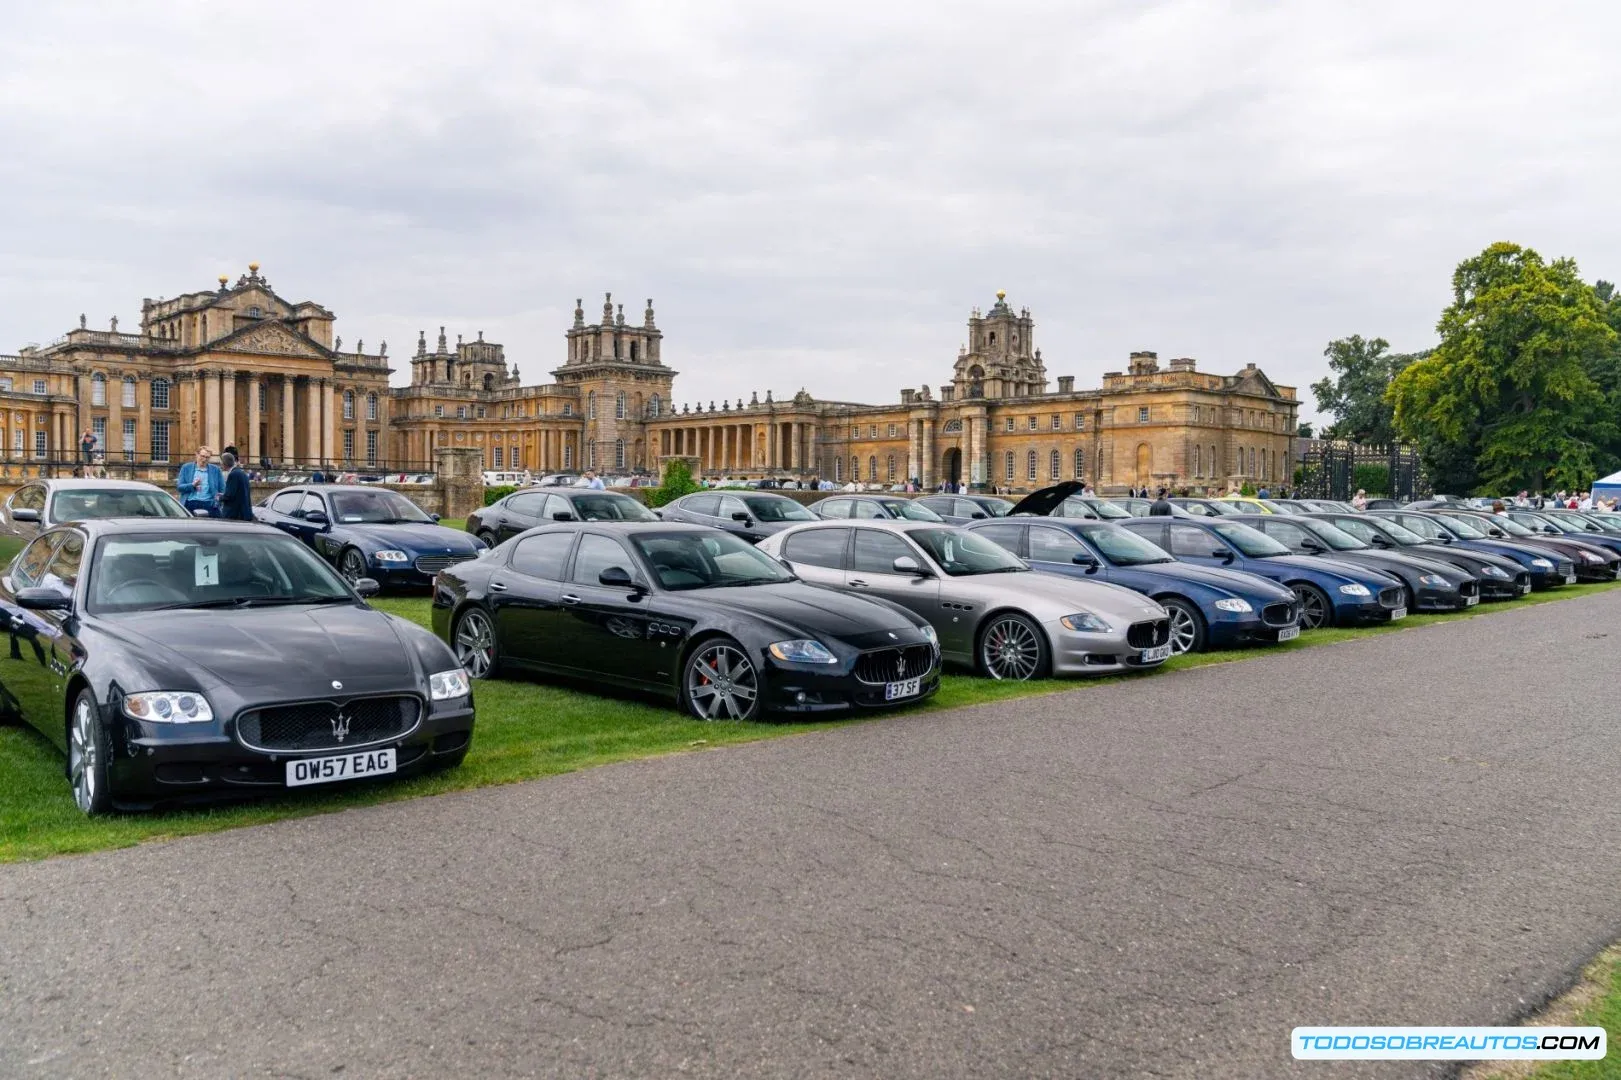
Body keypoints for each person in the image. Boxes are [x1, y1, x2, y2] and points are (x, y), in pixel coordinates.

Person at [177, 446, 224, 516]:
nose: (204, 459)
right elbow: (179, 487)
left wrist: (218, 500)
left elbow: (222, 489)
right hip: (191, 503)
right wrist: (192, 485)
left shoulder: (216, 470)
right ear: (196, 454)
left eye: (207, 457)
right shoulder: (186, 468)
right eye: (202, 456)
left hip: (209, 504)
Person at [219, 451, 254, 521]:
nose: (220, 464)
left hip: (234, 515)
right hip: (244, 513)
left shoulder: (233, 475)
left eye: (221, 462)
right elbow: (238, 493)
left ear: (224, 463)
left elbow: (229, 496)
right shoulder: (242, 473)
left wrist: (219, 497)